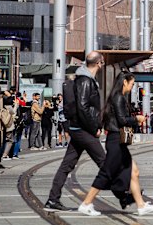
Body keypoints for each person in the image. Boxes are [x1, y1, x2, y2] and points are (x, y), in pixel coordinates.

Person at [78, 72, 153, 216]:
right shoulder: (119, 98)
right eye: (132, 84)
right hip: (116, 141)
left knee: (134, 171)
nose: (132, 87)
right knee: (106, 174)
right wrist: (137, 119)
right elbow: (122, 120)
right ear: (125, 82)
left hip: (118, 141)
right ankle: (86, 203)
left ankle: (141, 206)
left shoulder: (117, 98)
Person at [44, 51, 106, 212]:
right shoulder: (85, 81)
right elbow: (84, 107)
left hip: (77, 129)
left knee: (67, 165)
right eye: (102, 63)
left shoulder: (83, 79)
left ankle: (52, 199)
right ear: (99, 63)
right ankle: (129, 193)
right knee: (104, 162)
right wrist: (95, 129)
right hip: (84, 130)